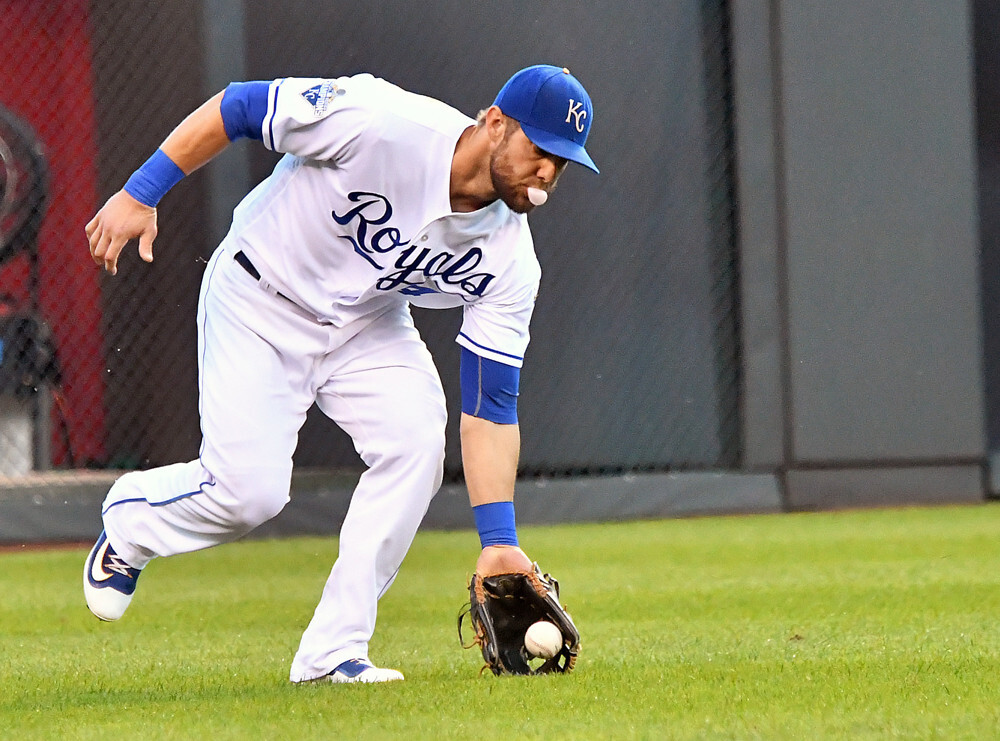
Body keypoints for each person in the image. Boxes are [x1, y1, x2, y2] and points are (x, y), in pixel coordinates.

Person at [83, 64, 598, 684]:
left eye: (563, 162)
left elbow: (491, 407)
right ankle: (132, 525)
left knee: (415, 444)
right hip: (260, 296)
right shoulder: (382, 122)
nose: (547, 171)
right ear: (495, 124)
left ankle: (332, 654)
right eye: (540, 149)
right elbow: (240, 106)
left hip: (365, 322)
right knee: (250, 494)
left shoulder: (512, 261)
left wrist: (499, 538)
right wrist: (141, 192)